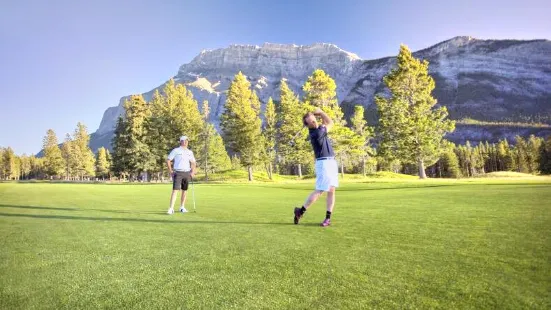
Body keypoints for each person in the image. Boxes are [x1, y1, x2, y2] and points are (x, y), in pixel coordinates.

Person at [294, 107, 339, 227]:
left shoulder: (318, 129)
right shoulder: (317, 132)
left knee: (331, 190)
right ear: (307, 125)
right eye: (311, 121)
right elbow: (330, 123)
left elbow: (325, 123)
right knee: (320, 190)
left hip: (330, 162)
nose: (314, 121)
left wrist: (319, 115)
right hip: (324, 163)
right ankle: (300, 211)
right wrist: (321, 112)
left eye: (314, 119)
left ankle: (327, 218)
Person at [167, 135, 196, 214]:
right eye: (183, 140)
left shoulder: (190, 152)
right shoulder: (176, 150)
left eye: (187, 140)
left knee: (184, 191)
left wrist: (193, 172)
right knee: (175, 190)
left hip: (187, 173)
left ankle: (182, 207)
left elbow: (193, 162)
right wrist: (171, 171)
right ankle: (171, 208)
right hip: (178, 172)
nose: (185, 142)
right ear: (180, 141)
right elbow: (168, 160)